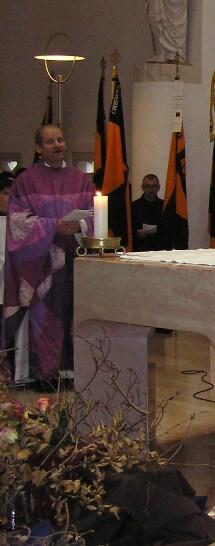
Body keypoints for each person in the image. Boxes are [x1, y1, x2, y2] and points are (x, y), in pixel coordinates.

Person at [2, 125, 94, 387]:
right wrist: (53, 226)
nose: (57, 145)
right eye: (50, 142)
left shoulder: (80, 179)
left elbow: (96, 211)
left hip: (77, 260)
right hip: (41, 265)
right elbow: (18, 221)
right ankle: (46, 375)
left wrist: (80, 225)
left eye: (61, 140)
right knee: (46, 317)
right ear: (38, 149)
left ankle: (77, 372)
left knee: (77, 315)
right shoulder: (26, 181)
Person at [131, 173, 169, 251]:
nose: (150, 190)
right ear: (142, 188)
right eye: (147, 186)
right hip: (140, 248)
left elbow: (170, 229)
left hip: (160, 249)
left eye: (153, 186)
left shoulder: (165, 207)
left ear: (158, 188)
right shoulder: (133, 207)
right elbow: (128, 228)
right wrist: (136, 232)